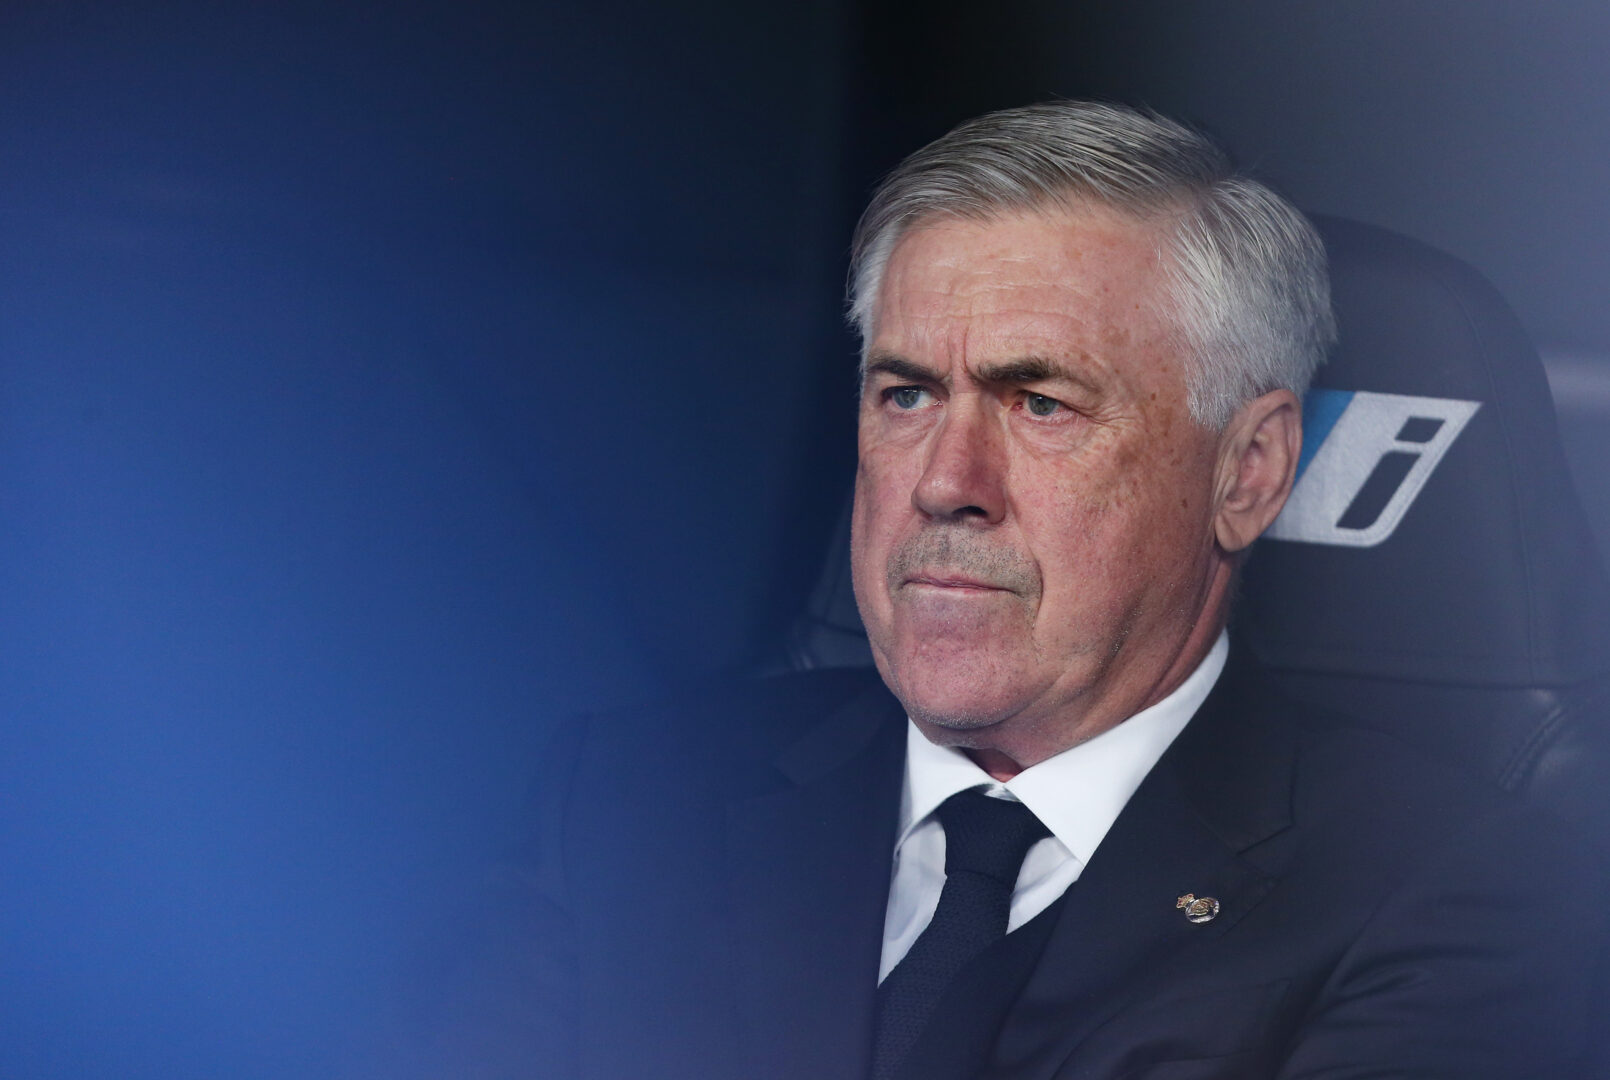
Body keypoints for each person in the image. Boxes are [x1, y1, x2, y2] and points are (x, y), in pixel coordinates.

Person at [420, 101, 1607, 1079]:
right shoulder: (628, 799)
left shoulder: (1454, 891)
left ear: (1245, 473)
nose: (944, 483)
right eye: (905, 395)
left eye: (1040, 404)